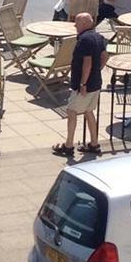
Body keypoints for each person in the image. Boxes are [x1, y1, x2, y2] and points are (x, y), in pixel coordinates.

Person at [53, 13, 108, 157]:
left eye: (77, 22)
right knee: (89, 112)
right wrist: (98, 70)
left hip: (85, 84)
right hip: (96, 82)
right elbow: (104, 57)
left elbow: (87, 63)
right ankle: (94, 144)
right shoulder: (98, 36)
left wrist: (83, 83)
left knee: (71, 111)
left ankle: (69, 145)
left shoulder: (84, 40)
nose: (75, 25)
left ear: (84, 23)